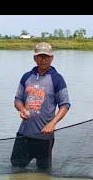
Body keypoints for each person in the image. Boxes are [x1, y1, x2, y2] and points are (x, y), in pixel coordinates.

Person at [11, 42, 71, 171]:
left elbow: (65, 105)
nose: (43, 59)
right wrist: (21, 109)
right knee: (15, 169)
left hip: (45, 137)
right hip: (24, 135)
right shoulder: (26, 77)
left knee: (43, 173)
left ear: (52, 58)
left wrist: (52, 123)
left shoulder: (57, 79)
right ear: (35, 58)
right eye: (40, 56)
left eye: (46, 56)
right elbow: (17, 99)